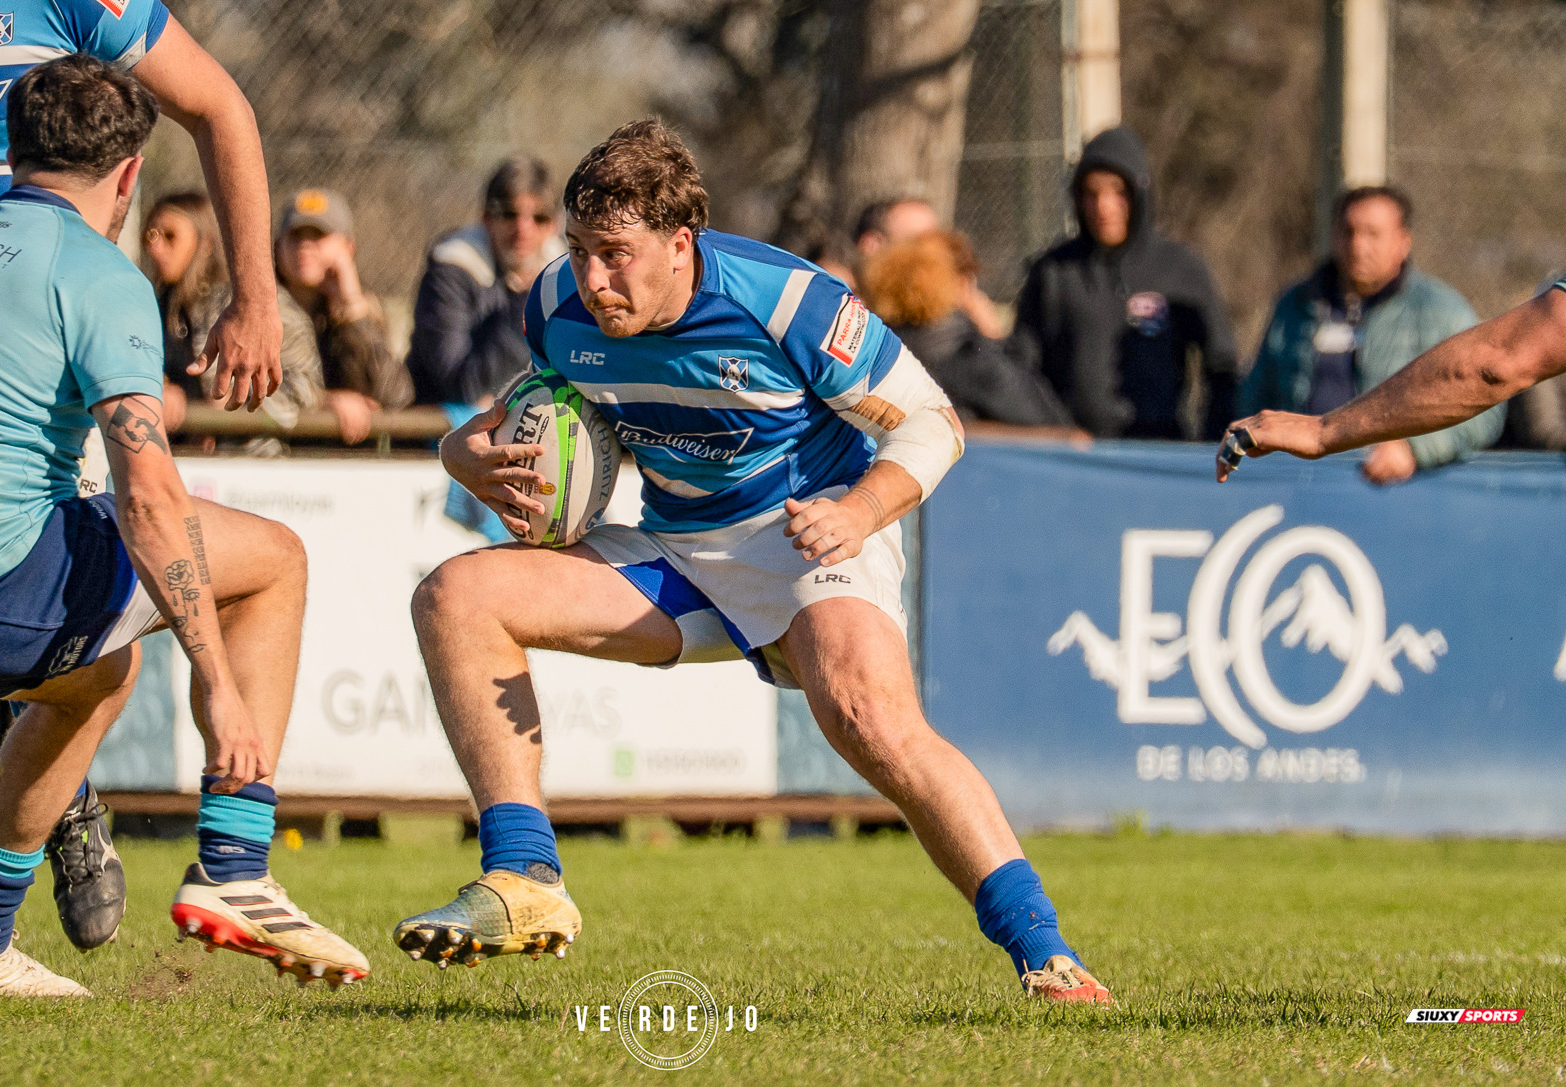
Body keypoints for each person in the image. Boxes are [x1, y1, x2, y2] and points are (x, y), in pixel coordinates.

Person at [393, 121, 1111, 1003]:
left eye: (615, 254)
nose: (592, 277)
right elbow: (509, 416)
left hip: (812, 532)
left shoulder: (787, 298)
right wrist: (463, 454)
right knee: (456, 596)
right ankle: (524, 881)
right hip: (680, 551)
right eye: (578, 250)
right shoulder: (556, 304)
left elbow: (936, 423)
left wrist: (858, 510)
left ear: (680, 243)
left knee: (868, 719)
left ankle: (1046, 951)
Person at [0, 55, 368, 998]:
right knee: (275, 560)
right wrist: (221, 685)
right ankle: (237, 862)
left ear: (13, 152)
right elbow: (150, 496)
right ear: (128, 176)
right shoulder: (97, 271)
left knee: (99, 671)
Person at [1239, 186, 1498, 484]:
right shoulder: (1295, 306)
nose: (1358, 246)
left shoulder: (1442, 311)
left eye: (1372, 234)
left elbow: (1486, 411)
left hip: (1398, 492)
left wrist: (1415, 450)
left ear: (1403, 242)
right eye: (1348, 232)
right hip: (1300, 489)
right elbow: (1256, 394)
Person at [1010, 126, 1238, 441]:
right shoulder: (1053, 272)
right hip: (1073, 457)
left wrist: (1209, 443)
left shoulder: (1181, 269)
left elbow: (1222, 365)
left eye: (1118, 191)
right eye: (1091, 193)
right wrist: (1054, 433)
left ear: (1139, 192)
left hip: (1159, 457)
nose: (1103, 206)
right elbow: (1021, 369)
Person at [143, 192, 329, 453]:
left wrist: (227, 408)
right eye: (149, 235)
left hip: (249, 467)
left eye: (170, 236)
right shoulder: (154, 305)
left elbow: (305, 386)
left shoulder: (247, 304)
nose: (155, 246)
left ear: (205, 242)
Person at [861, 230, 1073, 428]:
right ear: (960, 283)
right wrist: (995, 340)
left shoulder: (879, 348)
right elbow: (1048, 419)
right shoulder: (970, 356)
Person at [406, 157, 568, 407]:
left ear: (555, 226)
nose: (523, 230)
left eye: (540, 218)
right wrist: (528, 303)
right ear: (486, 217)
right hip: (443, 433)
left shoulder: (574, 273)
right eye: (509, 214)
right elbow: (462, 387)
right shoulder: (451, 270)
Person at [274, 188, 412, 441]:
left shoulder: (365, 311)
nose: (305, 246)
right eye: (295, 236)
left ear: (347, 247)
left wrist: (353, 310)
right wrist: (321, 403)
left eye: (318, 236)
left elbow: (394, 397)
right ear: (277, 244)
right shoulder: (257, 310)